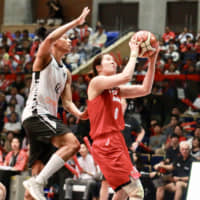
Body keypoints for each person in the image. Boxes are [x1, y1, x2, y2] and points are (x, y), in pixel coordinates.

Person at [21, 7, 90, 200]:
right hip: (36, 114)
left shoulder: (66, 72)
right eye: (66, 37)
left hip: (45, 119)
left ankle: (35, 184)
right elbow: (48, 40)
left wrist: (79, 113)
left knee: (37, 171)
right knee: (73, 144)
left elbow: (67, 102)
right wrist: (76, 22)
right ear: (55, 41)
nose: (70, 40)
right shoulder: (44, 58)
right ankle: (38, 182)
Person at [87, 36, 160, 199]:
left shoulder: (116, 89)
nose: (112, 61)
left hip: (116, 142)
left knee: (122, 192)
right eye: (107, 59)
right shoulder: (96, 82)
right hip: (106, 143)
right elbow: (126, 77)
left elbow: (145, 89)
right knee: (136, 192)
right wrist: (134, 52)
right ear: (98, 67)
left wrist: (152, 61)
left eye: (113, 59)